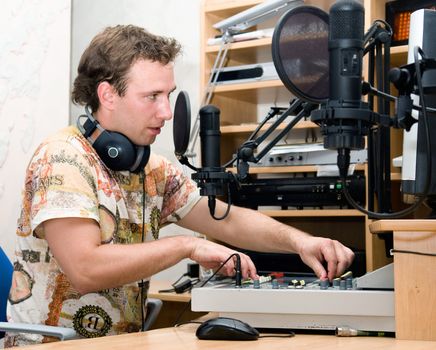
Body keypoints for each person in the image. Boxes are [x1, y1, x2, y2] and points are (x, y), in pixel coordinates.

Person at [5, 25, 354, 347]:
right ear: (108, 95)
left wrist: (300, 241)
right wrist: (186, 247)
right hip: (56, 345)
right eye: (152, 96)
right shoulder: (62, 159)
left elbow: (222, 219)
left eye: (168, 95)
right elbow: (85, 268)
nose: (167, 112)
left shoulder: (152, 169)